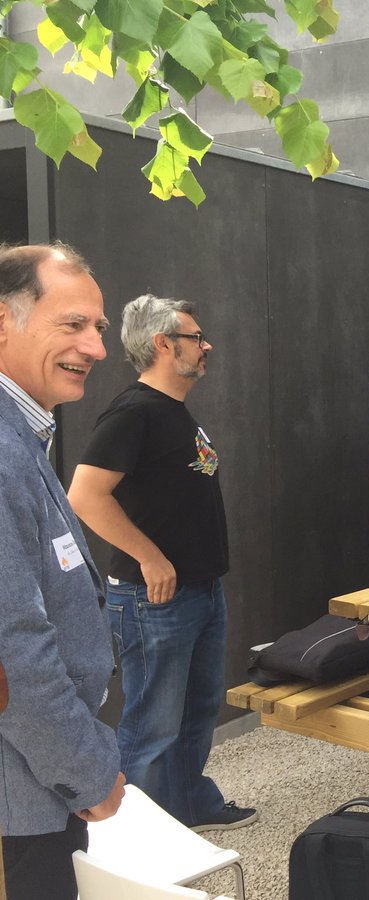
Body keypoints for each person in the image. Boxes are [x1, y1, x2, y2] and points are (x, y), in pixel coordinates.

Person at [68, 295, 256, 831]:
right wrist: (149, 556)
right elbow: (85, 495)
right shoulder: (134, 412)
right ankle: (136, 842)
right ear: (163, 344)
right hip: (153, 601)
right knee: (152, 726)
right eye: (196, 338)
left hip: (200, 590)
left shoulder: (173, 410)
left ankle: (189, 809)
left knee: (196, 713)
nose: (206, 346)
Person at [0, 243, 125, 900]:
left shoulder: (23, 434)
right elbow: (12, 653)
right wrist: (86, 772)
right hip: (23, 801)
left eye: (97, 327)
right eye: (73, 324)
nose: (96, 347)